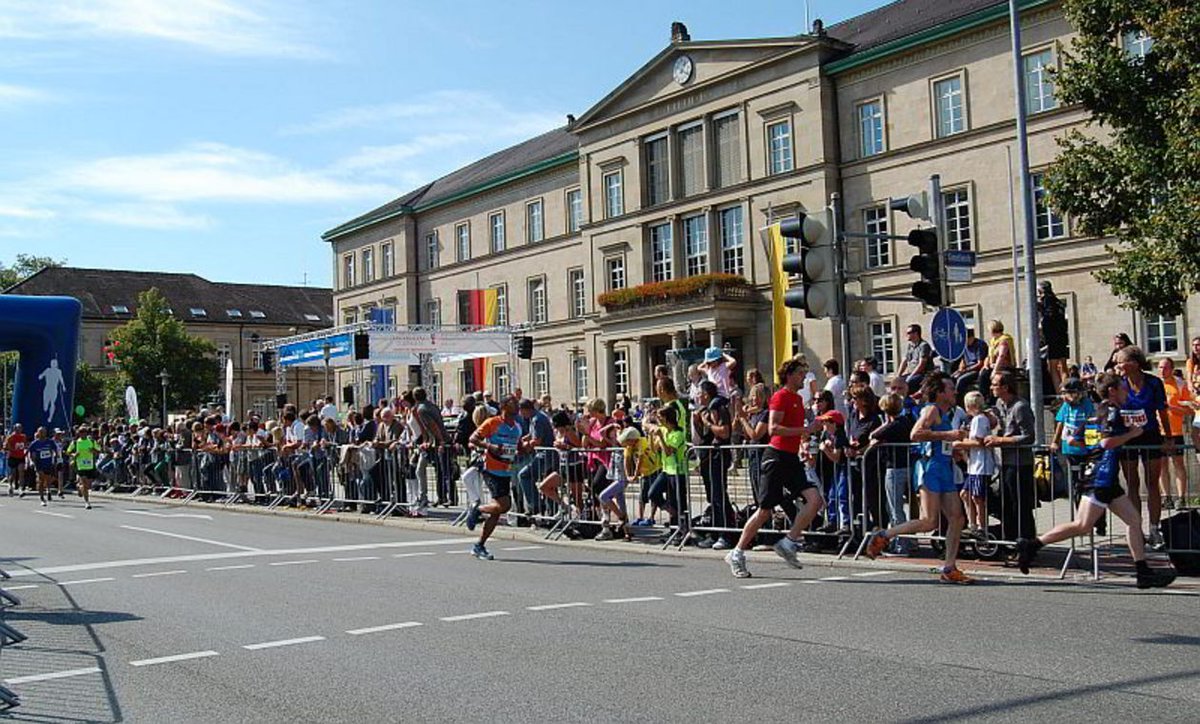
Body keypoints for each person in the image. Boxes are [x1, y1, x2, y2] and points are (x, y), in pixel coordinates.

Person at [1015, 374, 1175, 589]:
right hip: (1101, 477)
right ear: (1112, 391)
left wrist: (1093, 451)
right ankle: (1032, 544)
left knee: (1134, 521)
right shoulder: (1111, 411)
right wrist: (1131, 434)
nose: (1126, 392)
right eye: (1123, 388)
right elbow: (1107, 442)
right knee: (1082, 525)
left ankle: (1142, 571)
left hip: (1104, 476)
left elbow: (1073, 439)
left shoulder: (1096, 412)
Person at [866, 372, 974, 584]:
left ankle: (949, 568)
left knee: (957, 518)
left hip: (944, 467)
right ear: (940, 392)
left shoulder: (945, 412)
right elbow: (915, 434)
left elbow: (937, 440)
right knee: (929, 521)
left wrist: (952, 448)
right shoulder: (931, 410)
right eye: (951, 388)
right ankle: (884, 536)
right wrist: (947, 436)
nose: (955, 392)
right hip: (930, 468)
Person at [724, 356, 825, 578]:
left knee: (815, 500)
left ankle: (788, 543)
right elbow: (774, 428)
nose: (803, 378)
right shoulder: (780, 397)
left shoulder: (798, 399)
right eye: (800, 374)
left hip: (791, 458)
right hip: (775, 457)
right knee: (764, 510)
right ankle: (737, 552)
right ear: (789, 376)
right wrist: (805, 431)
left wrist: (805, 438)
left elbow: (797, 430)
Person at [1113, 345, 1170, 549]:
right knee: (1132, 483)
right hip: (1128, 436)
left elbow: (1162, 411)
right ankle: (1136, 527)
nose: (1117, 365)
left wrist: (1168, 437)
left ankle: (1154, 528)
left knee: (1152, 482)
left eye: (1121, 361)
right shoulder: (1119, 383)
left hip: (1150, 434)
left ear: (1135, 363)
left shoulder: (1153, 382)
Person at [465, 396, 533, 560]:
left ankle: (479, 545)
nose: (517, 406)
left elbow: (518, 448)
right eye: (513, 403)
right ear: (503, 406)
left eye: (517, 404)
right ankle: (476, 510)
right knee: (504, 505)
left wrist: (527, 447)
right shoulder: (492, 423)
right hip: (491, 468)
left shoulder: (516, 427)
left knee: (497, 511)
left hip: (506, 470)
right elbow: (473, 439)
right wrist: (490, 446)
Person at [985, 371, 1038, 542]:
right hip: (1005, 462)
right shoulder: (1000, 404)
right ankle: (1010, 539)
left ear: (1005, 387)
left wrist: (1000, 440)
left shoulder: (1020, 407)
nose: (992, 387)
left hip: (1020, 464)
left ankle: (1027, 541)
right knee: (1006, 503)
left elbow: (1029, 436)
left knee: (1020, 505)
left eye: (995, 384)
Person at [867, 393, 915, 556]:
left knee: (895, 509)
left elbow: (873, 435)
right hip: (907, 466)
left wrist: (884, 425)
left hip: (895, 468)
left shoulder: (894, 425)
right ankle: (906, 540)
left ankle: (902, 544)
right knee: (901, 508)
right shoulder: (907, 422)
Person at [692, 380, 735, 548]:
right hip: (708, 458)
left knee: (719, 496)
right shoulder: (706, 409)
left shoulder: (717, 406)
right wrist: (698, 421)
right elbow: (704, 436)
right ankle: (717, 532)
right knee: (713, 497)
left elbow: (724, 432)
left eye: (699, 393)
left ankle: (726, 534)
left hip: (717, 457)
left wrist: (707, 423)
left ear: (705, 394)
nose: (697, 397)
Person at [957, 392, 993, 538]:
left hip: (981, 465)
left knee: (977, 497)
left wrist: (960, 443)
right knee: (965, 494)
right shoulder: (975, 420)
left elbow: (979, 442)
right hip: (974, 465)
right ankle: (972, 524)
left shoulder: (979, 419)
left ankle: (981, 526)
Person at [1157, 357, 1191, 510]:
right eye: (1159, 367)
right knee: (1161, 465)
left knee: (1178, 464)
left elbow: (1189, 409)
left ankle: (1181, 497)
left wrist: (1171, 408)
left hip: (1176, 431)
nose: (1162, 370)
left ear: (1171, 369)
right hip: (1158, 431)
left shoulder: (1179, 384)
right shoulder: (1154, 384)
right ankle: (1166, 497)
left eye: (1165, 367)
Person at [1037, 281, 1070, 393]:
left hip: (1053, 337)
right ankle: (1066, 389)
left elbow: (1049, 316)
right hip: (1062, 336)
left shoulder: (1047, 300)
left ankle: (1060, 392)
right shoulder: (1058, 302)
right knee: (1063, 366)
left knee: (1053, 367)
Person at [979, 319, 1015, 401]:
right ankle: (984, 398)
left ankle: (992, 400)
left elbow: (1001, 356)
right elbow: (989, 355)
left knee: (994, 377)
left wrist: (995, 370)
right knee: (983, 374)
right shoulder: (993, 340)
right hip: (993, 366)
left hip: (1005, 367)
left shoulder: (1004, 339)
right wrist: (985, 365)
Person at [27, 426, 60, 507]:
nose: (42, 433)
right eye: (40, 432)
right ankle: (42, 498)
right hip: (39, 464)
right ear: (38, 433)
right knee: (41, 480)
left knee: (48, 479)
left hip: (48, 463)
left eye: (43, 432)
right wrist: (32, 462)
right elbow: (30, 454)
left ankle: (48, 490)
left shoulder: (50, 442)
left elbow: (55, 450)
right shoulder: (34, 444)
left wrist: (56, 458)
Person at [895, 324, 933, 390]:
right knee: (896, 384)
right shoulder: (910, 346)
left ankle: (908, 400)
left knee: (906, 385)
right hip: (911, 373)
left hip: (922, 374)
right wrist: (898, 376)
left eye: (909, 333)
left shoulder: (923, 346)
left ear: (916, 333)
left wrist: (910, 377)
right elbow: (904, 362)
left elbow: (921, 365)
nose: (907, 335)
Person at [954, 329, 988, 400]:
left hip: (976, 370)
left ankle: (959, 401)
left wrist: (967, 370)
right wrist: (961, 368)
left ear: (971, 338)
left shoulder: (980, 345)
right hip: (967, 368)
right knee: (952, 378)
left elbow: (980, 363)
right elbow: (963, 359)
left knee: (961, 380)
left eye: (966, 339)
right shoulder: (964, 346)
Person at [5, 423, 26, 496]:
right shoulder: (11, 437)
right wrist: (13, 449)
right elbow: (6, 446)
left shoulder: (23, 436)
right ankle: (10, 485)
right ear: (15, 429)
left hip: (21, 457)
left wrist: (24, 450)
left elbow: (24, 445)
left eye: (21, 428)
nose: (20, 429)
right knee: (13, 474)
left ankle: (21, 489)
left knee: (21, 473)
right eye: (18, 428)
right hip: (13, 457)